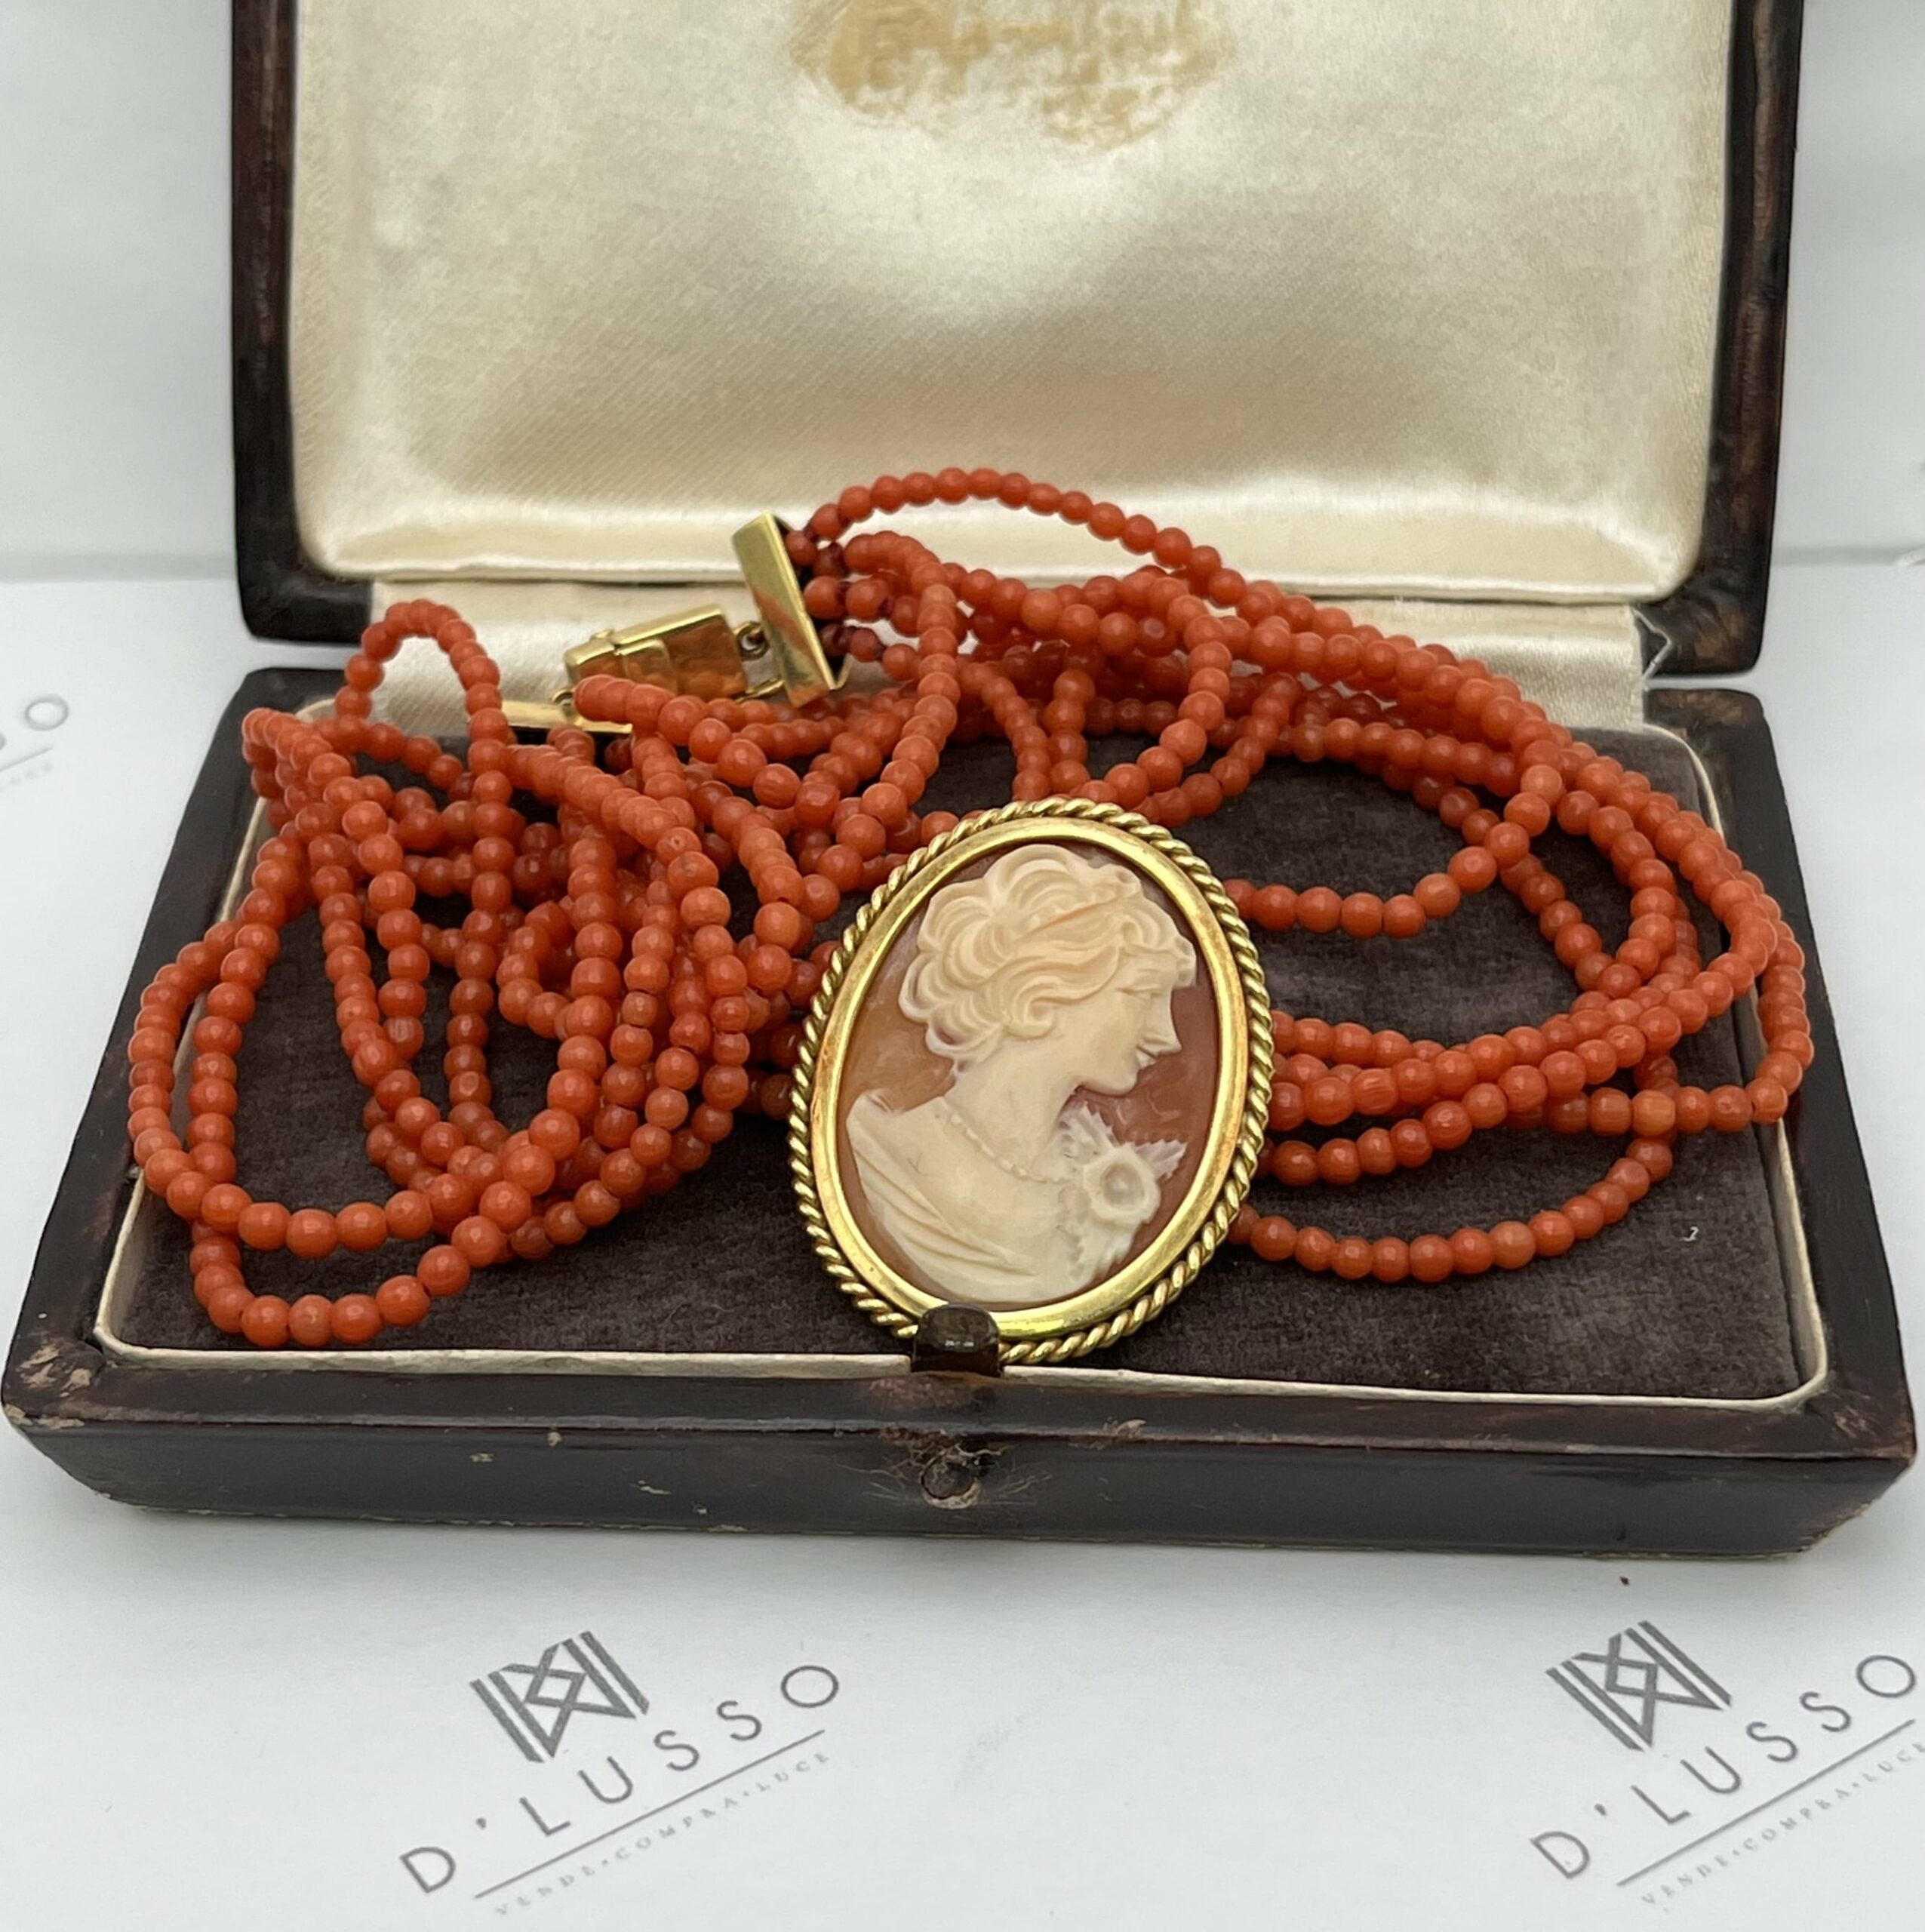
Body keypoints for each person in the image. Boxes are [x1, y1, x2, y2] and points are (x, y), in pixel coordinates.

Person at [846, 844, 1198, 1306]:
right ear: (1039, 994)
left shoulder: (1104, 1179)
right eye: (1143, 996)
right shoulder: (888, 1153)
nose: (1167, 1037)